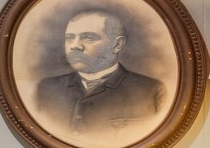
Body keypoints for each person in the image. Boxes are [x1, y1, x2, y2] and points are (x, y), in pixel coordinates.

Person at [31, 9, 165, 139]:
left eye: (89, 38)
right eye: (70, 38)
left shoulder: (153, 91)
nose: (75, 46)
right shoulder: (44, 88)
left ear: (117, 45)